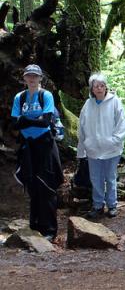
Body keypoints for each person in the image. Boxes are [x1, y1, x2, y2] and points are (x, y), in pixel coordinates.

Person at [11, 64, 63, 241]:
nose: (32, 79)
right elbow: (15, 124)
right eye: (29, 76)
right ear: (24, 78)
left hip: (45, 145)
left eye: (35, 76)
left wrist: (25, 119)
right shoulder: (20, 97)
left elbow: (45, 122)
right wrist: (32, 119)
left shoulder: (45, 95)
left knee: (46, 186)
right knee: (32, 185)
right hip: (28, 146)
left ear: (40, 79)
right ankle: (35, 225)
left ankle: (50, 230)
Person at [77, 73, 125, 218]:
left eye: (102, 86)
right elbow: (81, 127)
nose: (99, 89)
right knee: (95, 178)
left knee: (110, 178)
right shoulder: (88, 105)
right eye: (96, 86)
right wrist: (83, 147)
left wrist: (114, 140)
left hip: (111, 149)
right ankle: (98, 205)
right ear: (92, 89)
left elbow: (122, 124)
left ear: (106, 87)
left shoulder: (115, 102)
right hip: (93, 149)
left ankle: (112, 205)